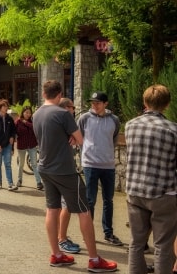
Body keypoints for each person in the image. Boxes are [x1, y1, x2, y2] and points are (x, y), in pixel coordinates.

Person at [32, 80, 117, 272]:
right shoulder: (62, 114)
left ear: (44, 93)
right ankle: (94, 260)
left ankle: (57, 254)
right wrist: (70, 138)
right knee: (83, 210)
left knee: (52, 209)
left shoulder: (37, 114)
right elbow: (80, 140)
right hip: (64, 169)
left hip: (44, 167)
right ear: (60, 94)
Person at [125, 84, 177, 274]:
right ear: (168, 104)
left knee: (136, 242)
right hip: (164, 193)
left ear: (145, 102)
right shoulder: (173, 130)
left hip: (135, 191)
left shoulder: (130, 126)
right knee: (163, 245)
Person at [78, 92, 123, 246]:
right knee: (90, 200)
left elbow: (114, 139)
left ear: (106, 104)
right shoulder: (84, 118)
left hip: (108, 165)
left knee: (108, 200)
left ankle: (108, 233)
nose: (94, 105)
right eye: (92, 102)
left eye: (98, 103)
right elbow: (80, 138)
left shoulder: (114, 120)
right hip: (90, 165)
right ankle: (88, 234)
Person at [56, 97, 81, 254]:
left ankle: (59, 236)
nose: (74, 110)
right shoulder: (65, 120)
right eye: (73, 107)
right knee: (67, 205)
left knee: (56, 206)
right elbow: (80, 139)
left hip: (51, 169)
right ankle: (62, 239)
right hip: (64, 170)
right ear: (67, 108)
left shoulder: (51, 119)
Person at [0, 99, 18, 191]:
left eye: (7, 106)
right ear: (0, 108)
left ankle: (10, 183)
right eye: (4, 106)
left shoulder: (9, 118)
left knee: (8, 164)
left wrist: (12, 137)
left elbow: (13, 130)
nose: (6, 108)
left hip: (7, 145)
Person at [15, 106, 42, 189]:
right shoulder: (18, 122)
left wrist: (26, 123)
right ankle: (19, 180)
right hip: (22, 146)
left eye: (29, 113)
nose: (28, 114)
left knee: (34, 164)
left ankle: (39, 182)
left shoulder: (32, 121)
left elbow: (35, 128)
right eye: (26, 112)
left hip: (32, 145)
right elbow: (15, 132)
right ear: (23, 112)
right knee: (21, 164)